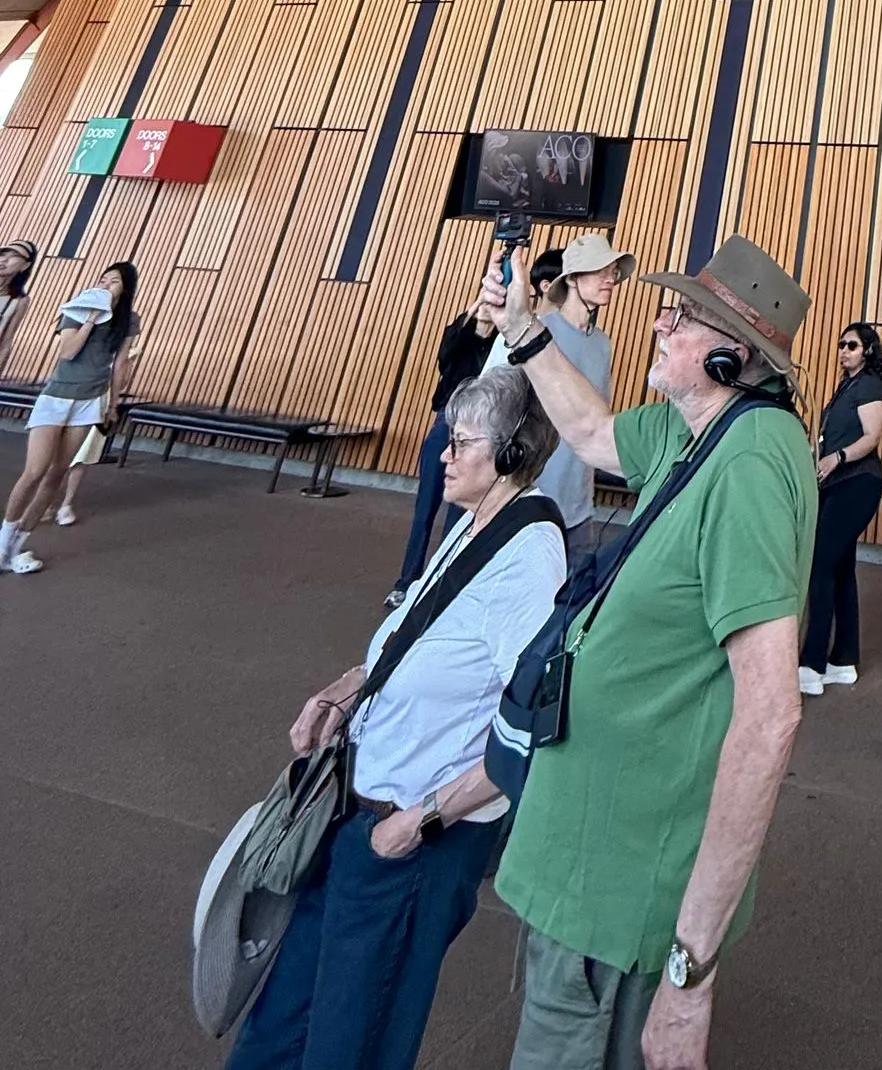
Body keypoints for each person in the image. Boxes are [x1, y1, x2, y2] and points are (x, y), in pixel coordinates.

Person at [481, 233, 815, 1070]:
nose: (659, 326)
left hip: (625, 877)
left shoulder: (749, 465)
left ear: (733, 358)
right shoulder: (690, 427)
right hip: (595, 846)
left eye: (682, 318)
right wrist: (527, 334)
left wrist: (690, 973)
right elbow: (591, 433)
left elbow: (770, 716)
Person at [229, 370, 568, 1070]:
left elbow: (531, 729)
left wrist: (419, 822)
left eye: (461, 440)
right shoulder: (473, 523)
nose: (442, 452)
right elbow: (410, 636)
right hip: (354, 813)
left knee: (352, 1040)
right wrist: (344, 689)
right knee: (282, 1019)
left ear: (509, 454)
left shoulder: (531, 559)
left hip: (411, 842)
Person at [482, 230, 631, 576]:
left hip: (579, 510)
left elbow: (597, 422)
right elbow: (487, 401)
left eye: (613, 271)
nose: (612, 278)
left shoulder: (603, 345)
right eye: (601, 270)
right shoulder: (531, 331)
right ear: (574, 279)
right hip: (527, 504)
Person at [1, 257, 138, 573]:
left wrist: (113, 403)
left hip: (90, 401)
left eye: (113, 281)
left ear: (126, 288)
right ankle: (2, 541)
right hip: (56, 397)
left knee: (57, 473)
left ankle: (15, 548)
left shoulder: (129, 320)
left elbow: (119, 364)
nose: (105, 284)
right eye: (103, 278)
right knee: (34, 471)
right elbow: (68, 352)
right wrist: (91, 319)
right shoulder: (78, 308)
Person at [387, 266, 501, 605]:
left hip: (477, 429)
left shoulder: (500, 342)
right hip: (444, 424)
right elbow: (445, 358)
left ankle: (440, 581)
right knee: (425, 507)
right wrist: (472, 313)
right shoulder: (461, 332)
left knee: (459, 512)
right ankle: (406, 581)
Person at [800, 319, 882, 695]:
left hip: (857, 483)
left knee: (820, 564)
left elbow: (872, 437)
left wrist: (836, 457)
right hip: (837, 484)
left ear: (867, 350)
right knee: (839, 567)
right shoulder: (847, 387)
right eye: (840, 344)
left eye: (851, 345)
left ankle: (811, 664)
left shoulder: (869, 384)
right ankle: (843, 661)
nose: (843, 351)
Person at [0, 237, 37, 375]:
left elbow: (6, 342)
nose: (4, 260)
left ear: (25, 265)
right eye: (2, 254)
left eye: (14, 256)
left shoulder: (19, 301)